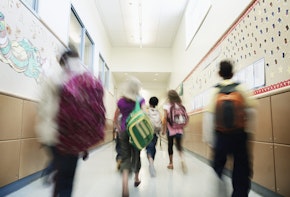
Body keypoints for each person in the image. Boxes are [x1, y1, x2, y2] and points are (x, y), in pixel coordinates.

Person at [36, 48, 92, 197]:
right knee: (67, 180)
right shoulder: (78, 84)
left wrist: (45, 134)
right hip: (69, 138)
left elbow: (41, 108)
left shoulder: (51, 79)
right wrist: (84, 144)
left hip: (51, 135)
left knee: (61, 174)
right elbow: (81, 116)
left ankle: (54, 178)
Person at [203, 60, 257, 197]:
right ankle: (239, 194)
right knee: (241, 169)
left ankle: (220, 188)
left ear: (219, 73)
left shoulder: (215, 91)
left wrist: (210, 141)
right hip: (239, 136)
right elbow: (251, 112)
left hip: (221, 136)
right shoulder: (241, 88)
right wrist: (249, 135)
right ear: (233, 73)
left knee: (218, 166)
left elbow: (209, 117)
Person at [113, 76, 145, 197]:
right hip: (136, 132)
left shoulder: (121, 101)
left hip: (124, 131)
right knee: (136, 155)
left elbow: (115, 118)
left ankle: (125, 186)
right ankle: (136, 178)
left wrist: (119, 128)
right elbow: (144, 115)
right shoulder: (140, 100)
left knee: (125, 157)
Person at [162, 90, 188, 173]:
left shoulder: (167, 106)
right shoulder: (181, 105)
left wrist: (164, 129)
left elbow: (165, 119)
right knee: (179, 146)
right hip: (180, 129)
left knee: (170, 146)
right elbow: (186, 117)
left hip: (171, 130)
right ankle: (182, 159)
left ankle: (171, 163)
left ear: (169, 97)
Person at [146, 96, 162, 177]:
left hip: (148, 133)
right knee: (153, 148)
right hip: (156, 133)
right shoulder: (158, 112)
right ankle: (152, 162)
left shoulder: (147, 111)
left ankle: (151, 162)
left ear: (149, 103)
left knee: (149, 148)